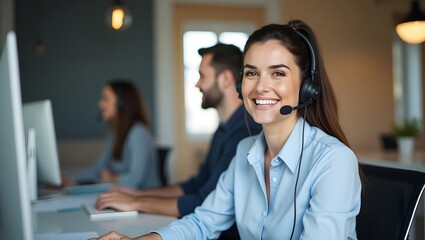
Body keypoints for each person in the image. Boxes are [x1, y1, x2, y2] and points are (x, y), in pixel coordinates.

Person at [93, 20, 362, 240]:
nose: (260, 87)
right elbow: (202, 222)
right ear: (239, 85)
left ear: (306, 86)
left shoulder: (333, 161)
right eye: (251, 73)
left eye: (278, 73)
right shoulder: (245, 152)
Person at [94, 43, 262, 239]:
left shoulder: (244, 133)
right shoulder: (224, 129)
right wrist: (136, 196)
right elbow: (195, 185)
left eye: (202, 76)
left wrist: (136, 202)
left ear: (225, 79)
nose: (197, 84)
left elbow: (203, 202)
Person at [63, 80, 162, 189]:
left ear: (121, 103)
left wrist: (113, 178)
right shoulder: (114, 133)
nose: (100, 104)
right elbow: (98, 169)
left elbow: (136, 179)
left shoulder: (139, 133)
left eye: (105, 98)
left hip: (145, 198)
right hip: (126, 195)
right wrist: (69, 178)